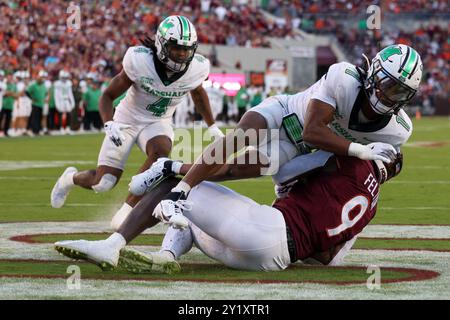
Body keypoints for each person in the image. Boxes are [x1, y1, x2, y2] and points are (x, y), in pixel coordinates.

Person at [154, 44, 423, 228]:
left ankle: (170, 167)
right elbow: (313, 130)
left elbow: (358, 167)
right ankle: (176, 196)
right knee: (239, 138)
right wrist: (360, 150)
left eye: (399, 92)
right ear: (374, 73)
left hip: (297, 150)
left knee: (238, 169)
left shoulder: (398, 130)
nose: (390, 96)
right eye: (388, 85)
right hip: (285, 113)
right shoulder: (344, 77)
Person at [53, 150, 403, 272]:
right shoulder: (371, 205)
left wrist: (177, 166)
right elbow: (327, 257)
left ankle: (112, 245)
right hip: (273, 259)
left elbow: (260, 165)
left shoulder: (348, 165)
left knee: (182, 186)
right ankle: (165, 256)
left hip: (267, 230)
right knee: (192, 214)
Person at [50, 15, 224, 231]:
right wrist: (109, 123)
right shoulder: (140, 61)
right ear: (161, 44)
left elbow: (198, 95)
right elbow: (107, 96)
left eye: (186, 50)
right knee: (103, 183)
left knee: (161, 151)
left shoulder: (197, 68)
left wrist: (212, 126)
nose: (181, 55)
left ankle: (126, 211)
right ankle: (70, 178)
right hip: (127, 119)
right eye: (176, 48)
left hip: (157, 121)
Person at [26, 70, 49, 135]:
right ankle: (33, 130)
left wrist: (45, 99)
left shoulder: (43, 85)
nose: (41, 80)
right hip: (35, 104)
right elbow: (27, 92)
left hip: (41, 104)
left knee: (40, 118)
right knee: (34, 118)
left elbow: (46, 93)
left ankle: (38, 130)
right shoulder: (34, 85)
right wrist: (32, 98)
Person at [54, 70, 75, 134]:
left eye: (65, 77)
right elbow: (56, 95)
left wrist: (72, 102)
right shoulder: (57, 84)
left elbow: (70, 93)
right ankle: (61, 128)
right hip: (61, 100)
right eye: (63, 77)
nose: (64, 79)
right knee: (60, 114)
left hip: (67, 100)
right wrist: (57, 103)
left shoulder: (68, 83)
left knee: (69, 114)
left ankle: (68, 128)